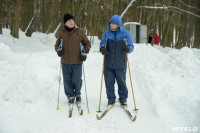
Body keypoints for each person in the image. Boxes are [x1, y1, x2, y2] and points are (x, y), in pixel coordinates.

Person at [55, 13, 91, 104]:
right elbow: (57, 45)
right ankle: (70, 96)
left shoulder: (80, 31)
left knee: (77, 79)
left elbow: (87, 43)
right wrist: (58, 50)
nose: (71, 22)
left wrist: (84, 52)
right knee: (67, 80)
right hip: (65, 61)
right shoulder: (61, 33)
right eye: (69, 20)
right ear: (65, 23)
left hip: (77, 61)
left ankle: (78, 94)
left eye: (72, 20)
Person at [99, 15, 134, 106]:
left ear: (118, 24)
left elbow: (131, 46)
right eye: (110, 23)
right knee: (109, 82)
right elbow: (102, 43)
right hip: (108, 63)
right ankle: (111, 99)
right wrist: (102, 48)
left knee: (121, 82)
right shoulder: (107, 33)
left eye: (113, 23)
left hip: (120, 64)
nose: (110, 24)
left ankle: (123, 99)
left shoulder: (126, 34)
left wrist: (128, 48)